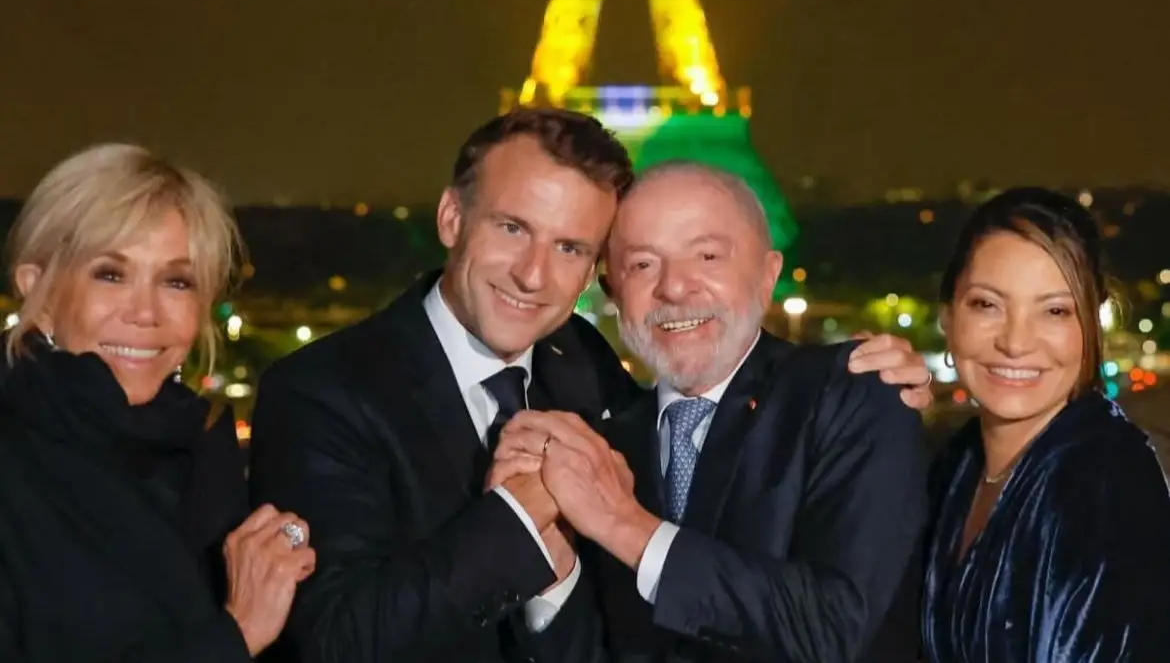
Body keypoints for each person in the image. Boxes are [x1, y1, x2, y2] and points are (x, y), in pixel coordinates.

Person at [249, 108, 932, 663]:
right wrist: (523, 526)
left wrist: (608, 535)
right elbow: (333, 638)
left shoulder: (584, 371)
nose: (534, 275)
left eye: (571, 247)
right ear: (451, 219)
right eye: (513, 228)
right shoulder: (320, 391)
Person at [494, 161, 929, 663]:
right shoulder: (604, 441)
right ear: (614, 294)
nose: (675, 288)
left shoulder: (852, 397)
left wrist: (625, 525)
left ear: (768, 276)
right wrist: (554, 571)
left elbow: (834, 628)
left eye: (706, 256)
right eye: (642, 265)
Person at [0, 144, 316, 663]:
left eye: (176, 281)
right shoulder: (14, 459)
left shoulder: (205, 454)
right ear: (40, 291)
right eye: (110, 274)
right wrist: (237, 634)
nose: (145, 312)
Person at [921, 187, 1170, 663]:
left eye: (1054, 311)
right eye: (986, 305)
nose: (1015, 342)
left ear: (1090, 329)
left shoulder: (1106, 485)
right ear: (948, 316)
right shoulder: (957, 464)